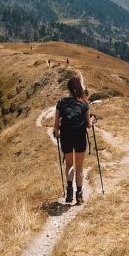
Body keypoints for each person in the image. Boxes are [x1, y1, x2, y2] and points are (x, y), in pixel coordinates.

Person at [53, 76, 92, 204]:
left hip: (66, 137)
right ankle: (79, 196)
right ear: (79, 88)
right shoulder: (84, 103)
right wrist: (92, 120)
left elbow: (55, 125)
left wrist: (57, 132)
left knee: (69, 165)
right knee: (79, 167)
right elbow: (88, 125)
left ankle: (69, 192)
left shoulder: (61, 102)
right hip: (80, 137)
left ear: (68, 88)